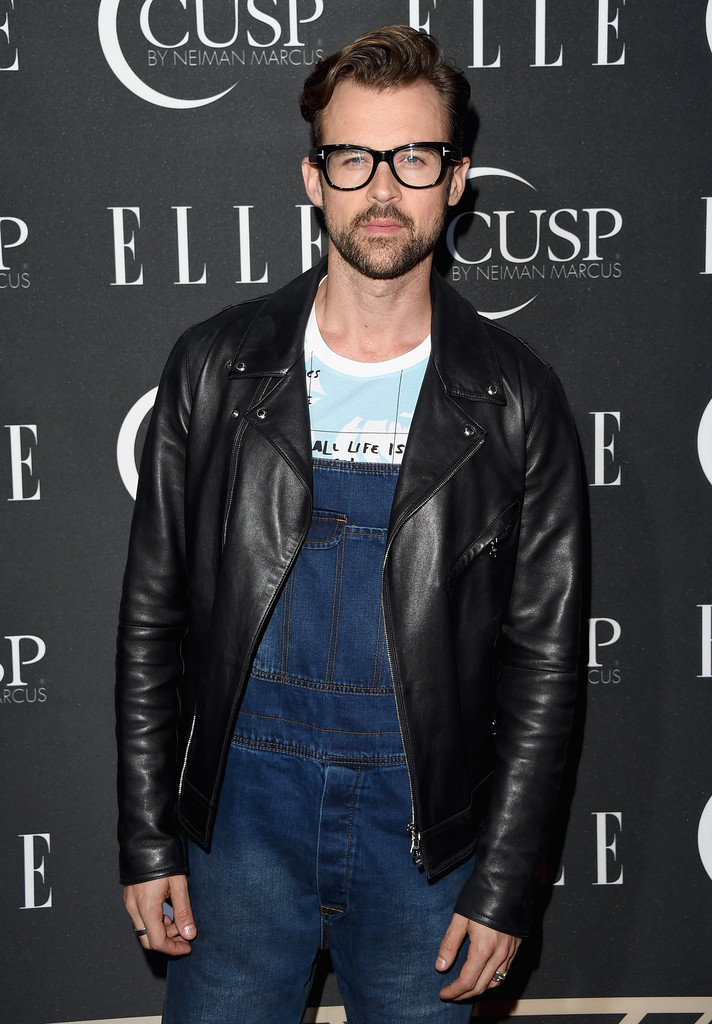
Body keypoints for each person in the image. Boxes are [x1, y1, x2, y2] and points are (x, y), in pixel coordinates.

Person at [116, 24, 582, 1023]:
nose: (383, 187)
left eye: (414, 157)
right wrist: (150, 836)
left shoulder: (513, 401)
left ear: (454, 179)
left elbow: (542, 664)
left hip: (424, 844)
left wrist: (502, 883)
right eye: (353, 157)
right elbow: (153, 617)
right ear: (312, 176)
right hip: (237, 833)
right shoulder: (214, 367)